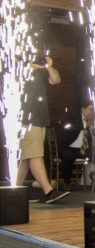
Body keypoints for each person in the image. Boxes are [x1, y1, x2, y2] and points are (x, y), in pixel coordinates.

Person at [15, 55, 69, 203]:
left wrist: (49, 66)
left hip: (39, 119)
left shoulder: (41, 71)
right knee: (35, 154)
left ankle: (13, 193)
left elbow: (56, 80)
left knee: (26, 157)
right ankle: (48, 191)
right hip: (26, 118)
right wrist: (31, 66)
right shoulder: (18, 66)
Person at [59, 103, 95, 186]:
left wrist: (91, 124)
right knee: (68, 157)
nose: (91, 112)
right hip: (69, 146)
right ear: (83, 109)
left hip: (82, 149)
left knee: (94, 155)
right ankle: (66, 181)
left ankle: (90, 180)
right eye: (90, 109)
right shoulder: (72, 117)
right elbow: (66, 127)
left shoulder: (91, 120)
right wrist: (83, 125)